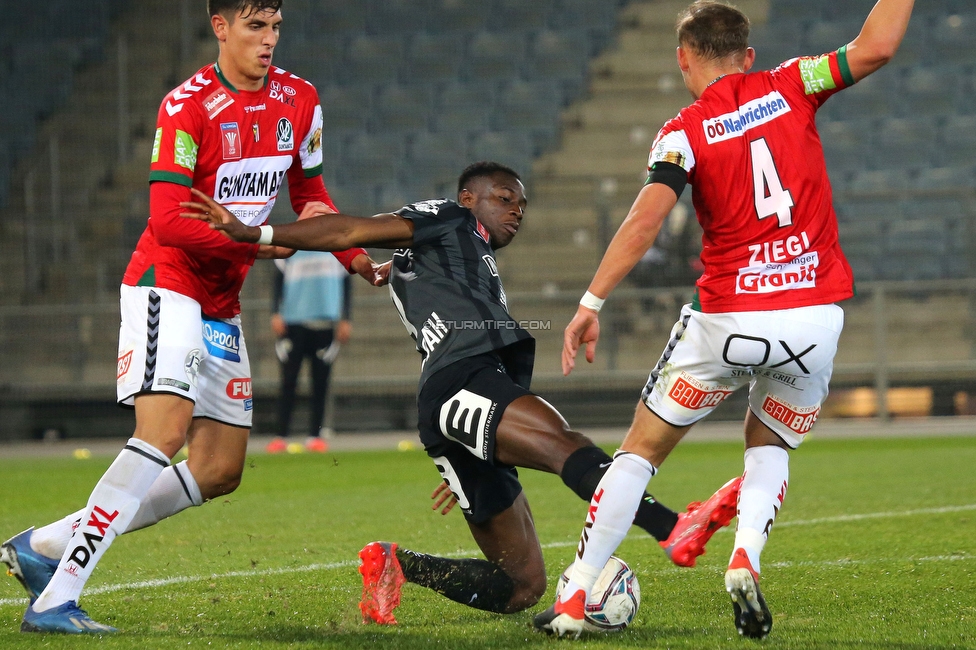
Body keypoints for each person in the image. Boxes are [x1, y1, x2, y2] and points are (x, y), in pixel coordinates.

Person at [182, 161, 741, 625]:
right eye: (503, 198)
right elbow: (347, 230)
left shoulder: (461, 261)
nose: (515, 210)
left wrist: (477, 444)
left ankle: (396, 564)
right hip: (461, 381)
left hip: (463, 401)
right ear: (468, 198)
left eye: (521, 204)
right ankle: (672, 528)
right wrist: (255, 232)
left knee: (521, 586)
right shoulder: (445, 219)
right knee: (565, 444)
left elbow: (368, 257)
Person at [533, 0, 915, 639]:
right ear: (748, 56)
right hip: (812, 322)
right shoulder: (794, 82)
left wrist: (590, 303)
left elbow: (647, 218)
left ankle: (575, 595)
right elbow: (875, 47)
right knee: (770, 447)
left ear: (683, 60)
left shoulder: (683, 130)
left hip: (727, 323)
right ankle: (746, 557)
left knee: (638, 455)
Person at [0, 0, 379, 634]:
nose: (269, 40)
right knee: (164, 433)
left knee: (219, 469)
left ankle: (39, 548)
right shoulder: (186, 106)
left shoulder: (301, 100)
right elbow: (170, 222)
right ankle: (54, 600)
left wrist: (355, 255)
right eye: (255, 26)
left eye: (276, 26)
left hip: (221, 301)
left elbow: (310, 196)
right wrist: (261, 242)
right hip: (164, 285)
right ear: (221, 26)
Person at [266, 251, 352, 453]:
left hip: (325, 322)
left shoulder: (335, 248)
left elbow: (347, 283)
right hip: (293, 323)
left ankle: (315, 435)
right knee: (288, 381)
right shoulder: (290, 247)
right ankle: (281, 435)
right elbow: (277, 280)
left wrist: (346, 318)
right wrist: (275, 313)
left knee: (320, 382)